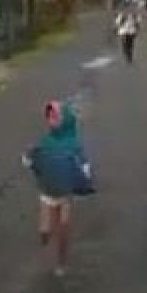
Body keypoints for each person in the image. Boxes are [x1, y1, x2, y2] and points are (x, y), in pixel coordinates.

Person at [22, 100, 94, 277]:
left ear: (66, 121)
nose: (50, 119)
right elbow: (30, 159)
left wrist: (82, 178)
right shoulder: (46, 142)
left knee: (63, 225)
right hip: (49, 190)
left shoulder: (74, 145)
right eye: (49, 115)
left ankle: (60, 260)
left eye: (55, 116)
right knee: (48, 225)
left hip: (65, 191)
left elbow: (84, 166)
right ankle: (48, 241)